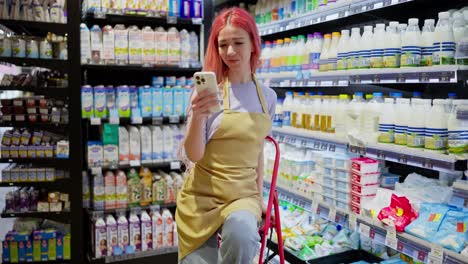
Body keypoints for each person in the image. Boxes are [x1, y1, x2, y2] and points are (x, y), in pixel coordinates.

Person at [176, 7, 277, 264]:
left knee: (242, 235)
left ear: (254, 44)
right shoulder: (209, 94)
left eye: (238, 43)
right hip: (200, 197)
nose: (230, 52)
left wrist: (260, 196)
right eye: (223, 45)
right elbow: (194, 155)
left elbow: (257, 153)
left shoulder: (267, 98)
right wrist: (198, 116)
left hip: (241, 196)